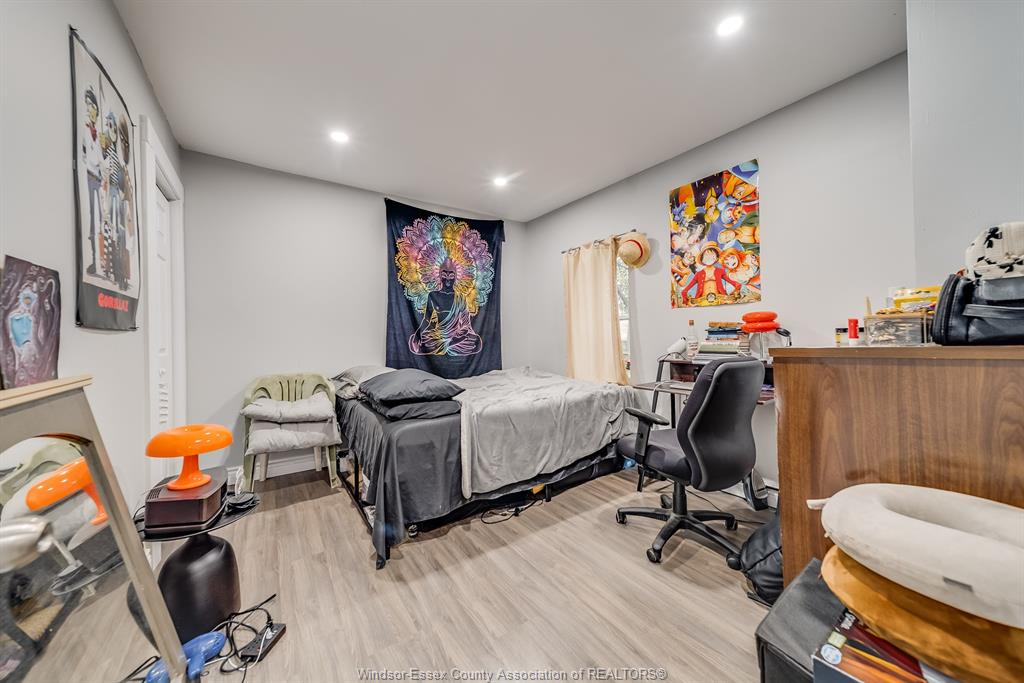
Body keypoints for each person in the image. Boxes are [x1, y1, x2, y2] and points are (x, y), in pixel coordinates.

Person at [408, 259, 483, 356]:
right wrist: (417, 334)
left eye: (451, 276)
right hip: (439, 335)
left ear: (456, 277)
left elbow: (466, 324)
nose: (448, 279)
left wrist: (461, 334)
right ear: (439, 276)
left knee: (477, 341)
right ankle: (450, 344)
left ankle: (446, 345)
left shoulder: (461, 298)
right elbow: (426, 320)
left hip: (457, 335)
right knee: (424, 340)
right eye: (444, 275)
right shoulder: (432, 295)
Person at [81, 86, 103, 276]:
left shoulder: (97, 134)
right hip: (90, 177)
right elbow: (88, 157)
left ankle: (100, 262)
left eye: (91, 105)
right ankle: (94, 261)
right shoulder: (86, 131)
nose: (89, 109)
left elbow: (100, 160)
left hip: (98, 180)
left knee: (100, 219)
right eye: (87, 105)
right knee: (92, 220)